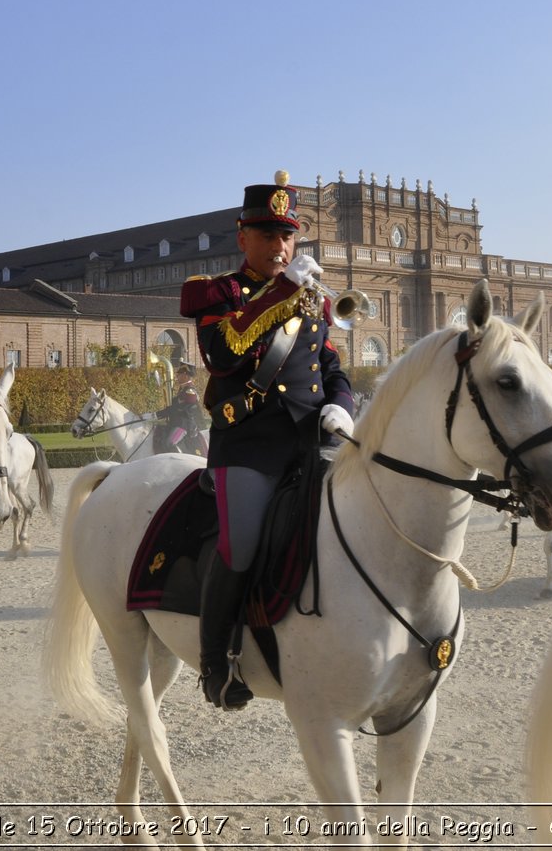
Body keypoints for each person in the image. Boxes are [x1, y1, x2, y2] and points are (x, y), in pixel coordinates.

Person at [180, 171, 355, 710]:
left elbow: (330, 363)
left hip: (311, 441)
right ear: (243, 238)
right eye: (269, 235)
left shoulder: (314, 301)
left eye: (288, 236)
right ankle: (216, 664)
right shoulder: (215, 293)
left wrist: (340, 405)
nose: (281, 246)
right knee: (241, 546)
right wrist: (283, 290)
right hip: (249, 446)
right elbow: (226, 352)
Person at [157, 360, 208, 456]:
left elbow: (176, 409)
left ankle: (182, 462)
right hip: (178, 424)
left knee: (171, 443)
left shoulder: (190, 391)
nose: (177, 376)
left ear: (186, 375)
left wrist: (156, 415)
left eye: (179, 374)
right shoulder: (183, 390)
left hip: (185, 426)